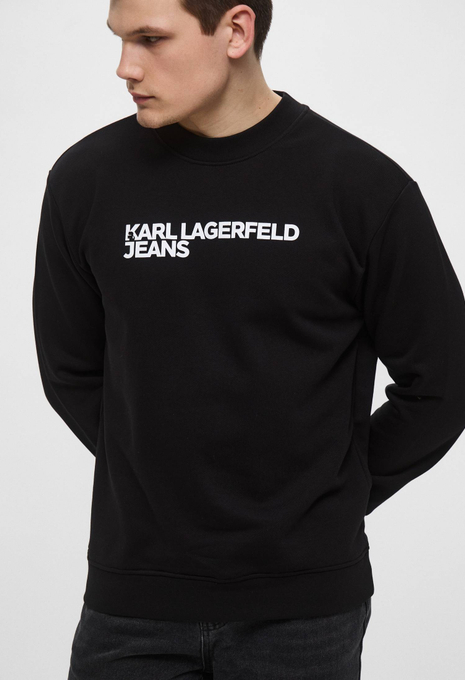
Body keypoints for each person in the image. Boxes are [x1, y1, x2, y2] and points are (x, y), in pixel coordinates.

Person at [31, 1, 465, 678]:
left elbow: (445, 383)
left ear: (235, 30)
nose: (125, 67)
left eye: (150, 39)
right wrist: (162, 476)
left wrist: (330, 492)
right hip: (133, 603)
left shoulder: (361, 187)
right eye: (119, 40)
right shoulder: (85, 181)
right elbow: (70, 370)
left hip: (303, 612)